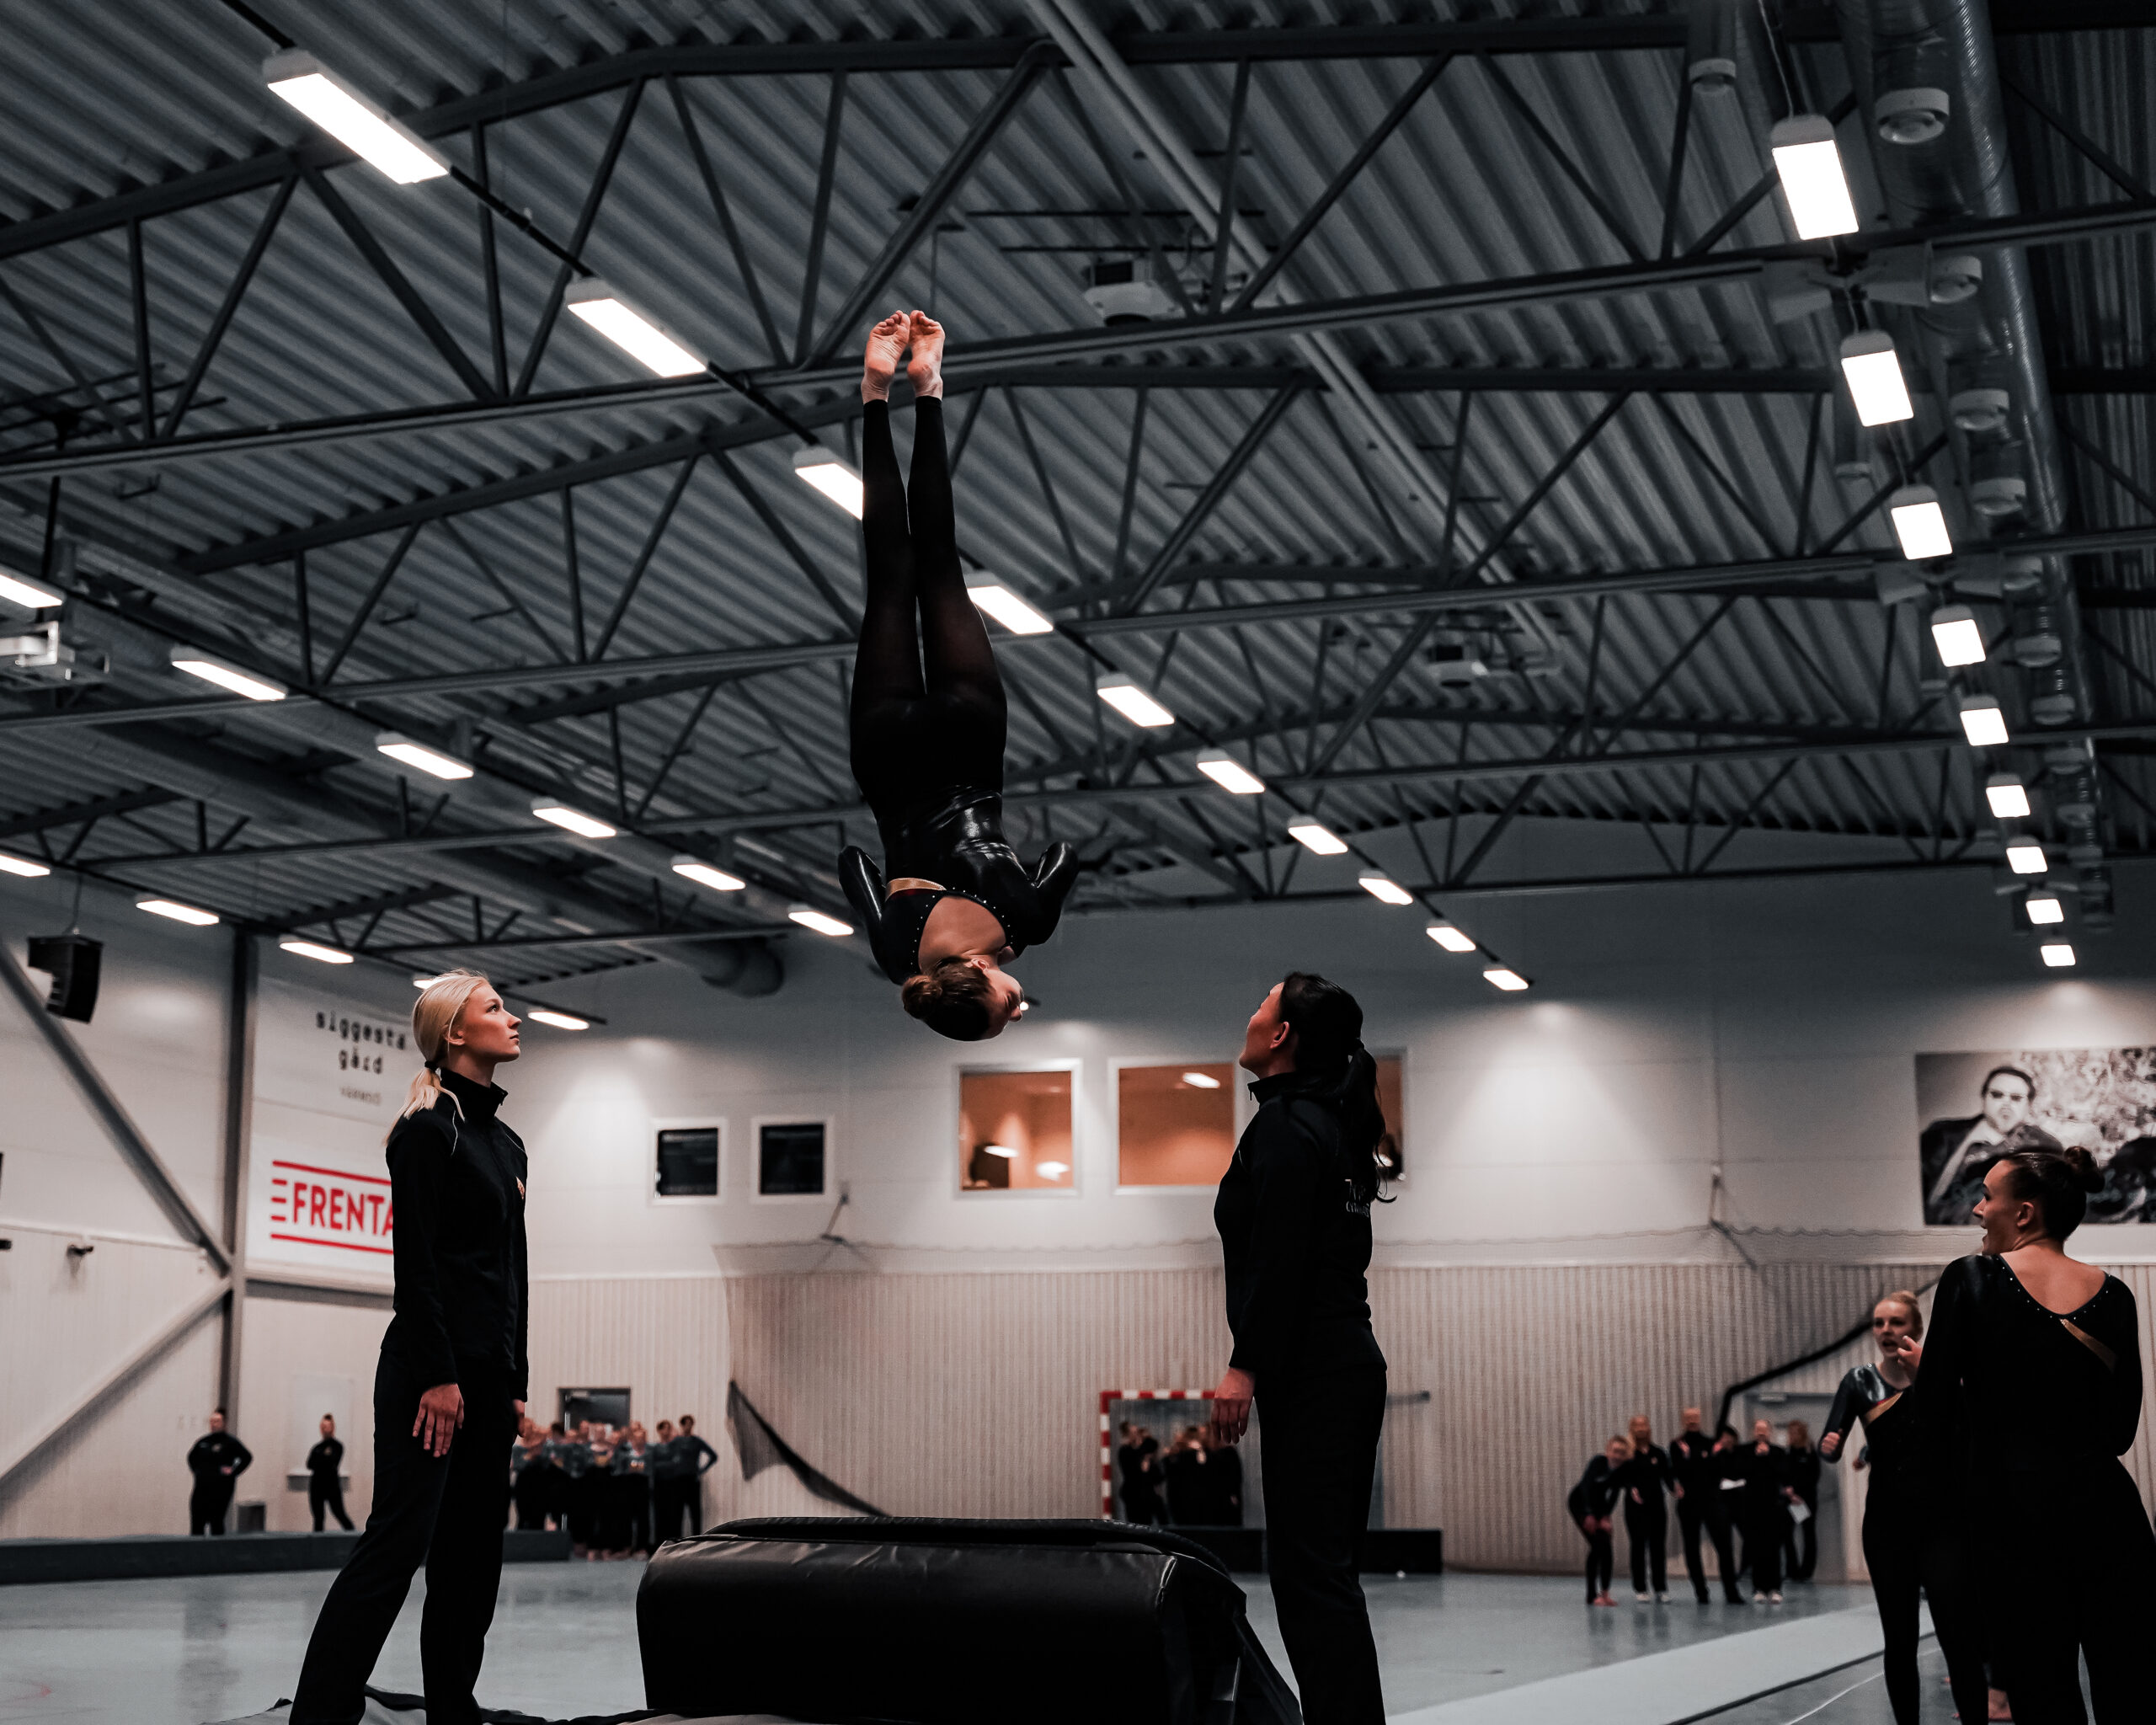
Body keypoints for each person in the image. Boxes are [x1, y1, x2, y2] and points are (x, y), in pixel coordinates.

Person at [288, 970, 528, 1725]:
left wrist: (515, 1381)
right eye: (495, 1008)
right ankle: (320, 1715)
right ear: (455, 1033)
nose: (514, 1018)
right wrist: (438, 1375)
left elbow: (512, 1270)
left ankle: (453, 1710)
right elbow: (415, 1267)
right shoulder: (427, 1132)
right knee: (397, 1546)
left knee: (472, 1558)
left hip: (487, 1380)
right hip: (429, 1374)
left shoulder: (509, 1145)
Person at [837, 311, 1078, 1039]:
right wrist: (911, 886)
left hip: (969, 748)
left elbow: (1064, 855)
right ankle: (875, 393)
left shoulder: (1025, 923)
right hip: (886, 759)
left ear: (984, 982)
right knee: (887, 580)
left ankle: (929, 388)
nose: (1020, 996)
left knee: (941, 565)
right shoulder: (896, 957)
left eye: (1009, 1003)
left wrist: (1013, 907)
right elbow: (853, 863)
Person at [1901, 1148, 2156, 1722]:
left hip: (2014, 1521)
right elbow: (2119, 1431)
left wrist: (1935, 1379)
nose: (1976, 1209)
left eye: (1987, 1196)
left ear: (2023, 1213)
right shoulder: (2116, 1293)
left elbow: (1934, 1420)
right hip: (2110, 1516)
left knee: (2044, 1695)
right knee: (2131, 1688)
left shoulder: (1971, 1277)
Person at [1209, 972, 1390, 1725]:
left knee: (1311, 1579)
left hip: (1315, 1371)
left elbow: (1280, 1260)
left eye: (1263, 1003)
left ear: (1282, 1035)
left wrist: (1242, 1366)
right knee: (1325, 1576)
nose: (1251, 1013)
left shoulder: (1287, 1128)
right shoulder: (1329, 1125)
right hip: (1342, 1365)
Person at [1821, 1291, 1988, 1725]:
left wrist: (1931, 1379)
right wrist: (1830, 1446)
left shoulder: (1948, 1376)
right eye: (1879, 1323)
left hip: (1945, 1527)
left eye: (1896, 1322)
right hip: (1887, 1529)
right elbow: (1831, 1442)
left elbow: (1975, 1434)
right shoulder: (1858, 1381)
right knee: (1899, 1641)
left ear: (1917, 1328)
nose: (1886, 1331)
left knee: (1959, 1640)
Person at [1920, 1064, 2062, 1226]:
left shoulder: (2046, 1147)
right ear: (1984, 1098)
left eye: (2016, 1098)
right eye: (1997, 1095)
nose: (2006, 1104)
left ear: (2028, 1105)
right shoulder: (1940, 1134)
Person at [1668, 1406, 1740, 1604]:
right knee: (1692, 1548)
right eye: (1689, 1418)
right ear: (1684, 1420)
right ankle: (1701, 1592)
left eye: (1695, 1418)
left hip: (1711, 1501)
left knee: (1724, 1546)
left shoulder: (1711, 1443)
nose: (1692, 1421)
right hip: (1689, 1504)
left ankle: (1731, 1591)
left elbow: (1719, 1471)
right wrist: (1702, 1459)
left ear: (1700, 1419)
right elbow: (1679, 1470)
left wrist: (1691, 1458)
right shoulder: (1676, 1445)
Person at [1617, 1413, 1671, 1602]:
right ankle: (1640, 1588)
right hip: (1635, 1507)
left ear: (1648, 1427)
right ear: (1632, 1429)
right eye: (1637, 1425)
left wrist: (1675, 1488)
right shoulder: (1628, 1454)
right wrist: (1630, 1488)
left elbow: (1667, 1476)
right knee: (1638, 1547)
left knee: (1658, 1547)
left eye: (1644, 1425)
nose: (1641, 1429)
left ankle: (1660, 1588)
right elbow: (1621, 1477)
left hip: (1657, 1505)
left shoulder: (1658, 1453)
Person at [1736, 1419, 1792, 1603]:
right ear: (1754, 1431)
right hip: (1752, 1506)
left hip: (1773, 1506)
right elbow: (1740, 1471)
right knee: (1755, 1547)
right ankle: (1758, 1587)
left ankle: (1775, 1587)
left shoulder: (1778, 1452)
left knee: (1773, 1548)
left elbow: (1784, 1473)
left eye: (1764, 1430)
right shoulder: (1745, 1451)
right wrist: (1756, 1457)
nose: (1761, 1433)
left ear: (1769, 1432)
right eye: (1758, 1430)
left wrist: (1767, 1457)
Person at [1569, 1436, 1629, 1607]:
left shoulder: (1621, 1470)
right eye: (1615, 1451)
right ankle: (1591, 1595)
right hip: (1580, 1503)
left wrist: (1605, 1517)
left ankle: (1605, 1593)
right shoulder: (1598, 1462)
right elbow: (1585, 1487)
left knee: (1606, 1546)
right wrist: (1589, 1515)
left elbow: (1614, 1495)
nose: (1618, 1456)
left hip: (1599, 1506)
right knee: (1597, 1545)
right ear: (1608, 1451)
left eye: (1622, 1453)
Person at [186, 1409, 252, 1536]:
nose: (213, 1424)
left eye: (217, 1421)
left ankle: (217, 1548)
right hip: (201, 1488)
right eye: (211, 1421)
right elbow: (191, 1458)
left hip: (220, 1489)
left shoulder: (231, 1443)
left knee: (216, 1522)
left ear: (224, 1423)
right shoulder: (203, 1442)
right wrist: (197, 1472)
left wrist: (233, 1471)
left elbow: (247, 1457)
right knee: (197, 1523)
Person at [1781, 1418, 1817, 1583]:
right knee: (1786, 1534)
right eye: (1791, 1433)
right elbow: (1783, 1474)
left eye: (1795, 1433)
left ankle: (1806, 1571)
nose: (1793, 1436)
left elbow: (1813, 1476)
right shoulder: (1787, 1453)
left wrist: (1800, 1494)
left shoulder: (1809, 1452)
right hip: (1790, 1499)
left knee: (1808, 1534)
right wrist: (1789, 1492)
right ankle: (1792, 1570)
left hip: (1806, 1499)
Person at [307, 1414, 353, 1532]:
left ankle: (354, 1538)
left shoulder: (337, 1446)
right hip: (317, 1486)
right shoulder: (317, 1447)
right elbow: (309, 1464)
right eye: (322, 1426)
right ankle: (317, 1543)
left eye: (326, 1426)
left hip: (331, 1486)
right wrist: (324, 1457)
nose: (324, 1429)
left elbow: (333, 1462)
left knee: (339, 1513)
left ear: (332, 1428)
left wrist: (321, 1459)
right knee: (318, 1518)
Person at [674, 1414, 718, 1535]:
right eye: (686, 1424)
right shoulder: (676, 1441)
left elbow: (713, 1456)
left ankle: (696, 1537)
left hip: (692, 1479)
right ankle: (677, 1538)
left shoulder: (697, 1441)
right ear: (682, 1425)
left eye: (690, 1424)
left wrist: (701, 1470)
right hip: (679, 1479)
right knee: (678, 1510)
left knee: (695, 1511)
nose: (688, 1427)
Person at [1115, 1422, 1161, 1525]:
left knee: (1147, 1522)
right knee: (1134, 1522)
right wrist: (1139, 1445)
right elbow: (1131, 1470)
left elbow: (1154, 1445)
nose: (1136, 1435)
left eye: (1136, 1432)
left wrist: (1145, 1437)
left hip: (1145, 1493)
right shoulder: (1125, 1450)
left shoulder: (1142, 1448)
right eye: (1133, 1433)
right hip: (1133, 1492)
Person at [510, 1421, 551, 1531]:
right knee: (522, 1518)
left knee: (539, 1519)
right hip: (523, 1487)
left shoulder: (542, 1448)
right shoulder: (518, 1449)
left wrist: (539, 1449)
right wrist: (531, 1454)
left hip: (540, 1488)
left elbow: (547, 1465)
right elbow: (519, 1466)